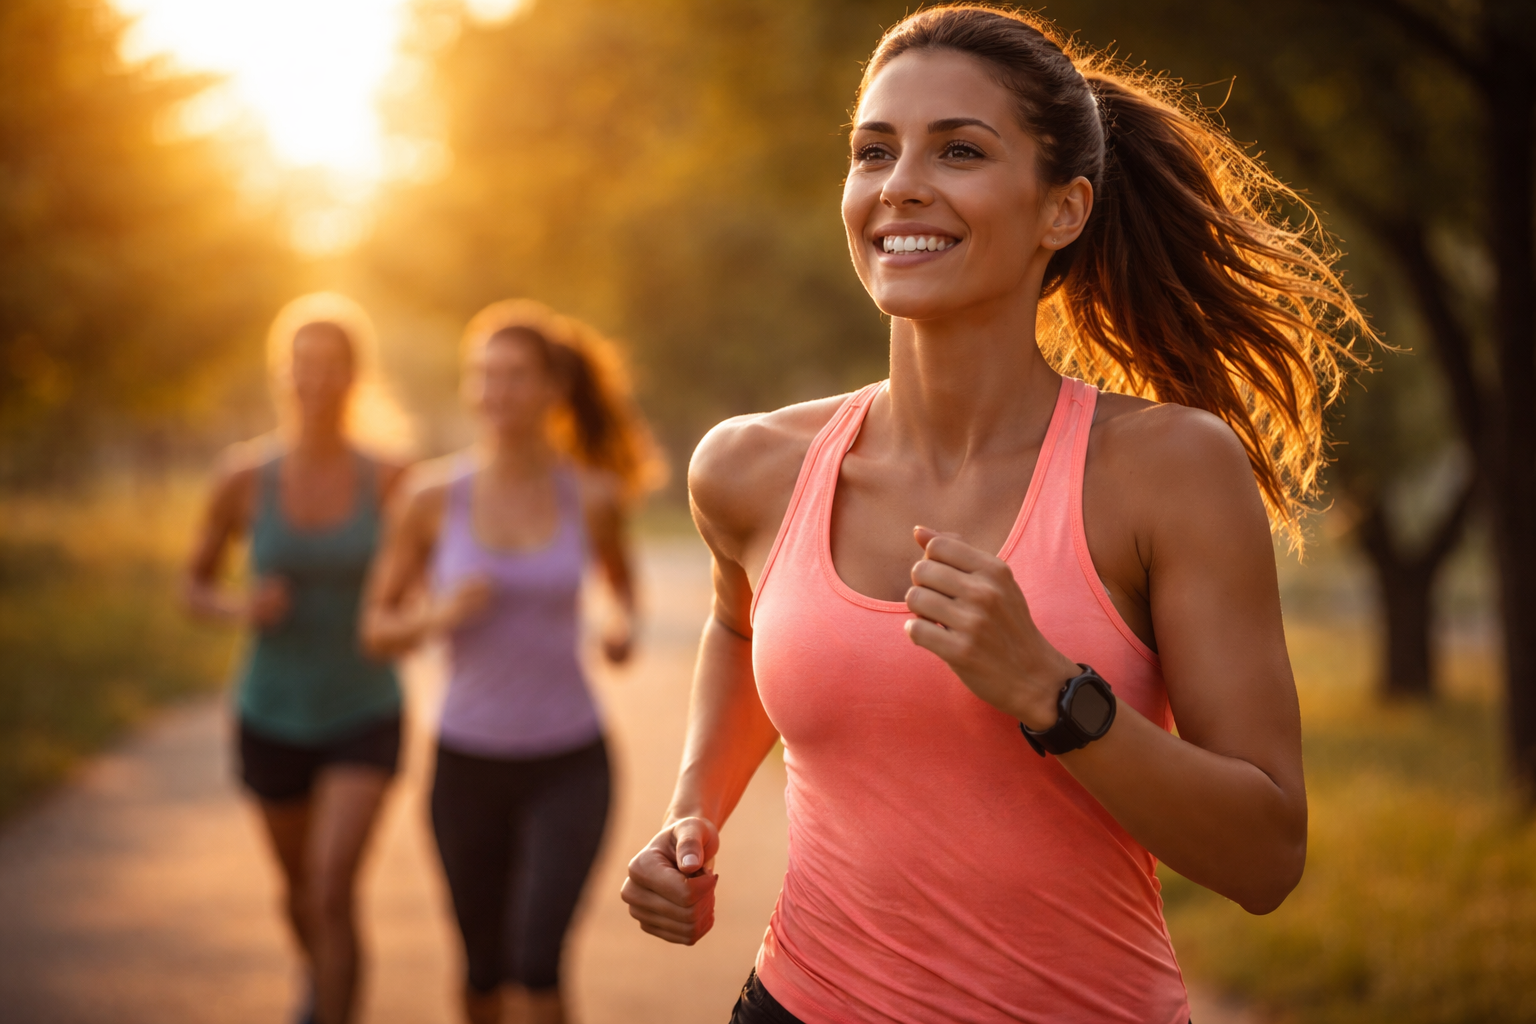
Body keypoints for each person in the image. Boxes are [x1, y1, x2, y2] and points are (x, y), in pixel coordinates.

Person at [621, 6, 1373, 1023]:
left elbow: (1266, 857)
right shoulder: (751, 468)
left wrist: (1052, 692)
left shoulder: (1167, 470)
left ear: (1063, 209)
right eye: (873, 151)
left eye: (960, 150)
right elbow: (741, 622)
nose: (899, 185)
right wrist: (693, 812)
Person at [362, 299, 662, 1024]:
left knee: (537, 961)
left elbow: (623, 591)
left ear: (553, 388)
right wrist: (436, 615)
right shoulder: (430, 498)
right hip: (467, 762)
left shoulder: (591, 496)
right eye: (484, 375)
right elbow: (375, 628)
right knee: (483, 968)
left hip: (571, 761)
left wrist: (620, 628)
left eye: (516, 376)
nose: (497, 392)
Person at [185, 293, 413, 1024]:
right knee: (299, 893)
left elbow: (419, 584)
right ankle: (321, 982)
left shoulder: (391, 479)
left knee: (332, 885)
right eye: (301, 364)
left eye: (331, 365)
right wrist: (240, 607)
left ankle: (331, 1006)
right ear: (282, 373)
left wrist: (405, 619)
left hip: (364, 706)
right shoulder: (243, 477)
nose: (315, 379)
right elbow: (194, 585)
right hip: (271, 709)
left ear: (354, 376)